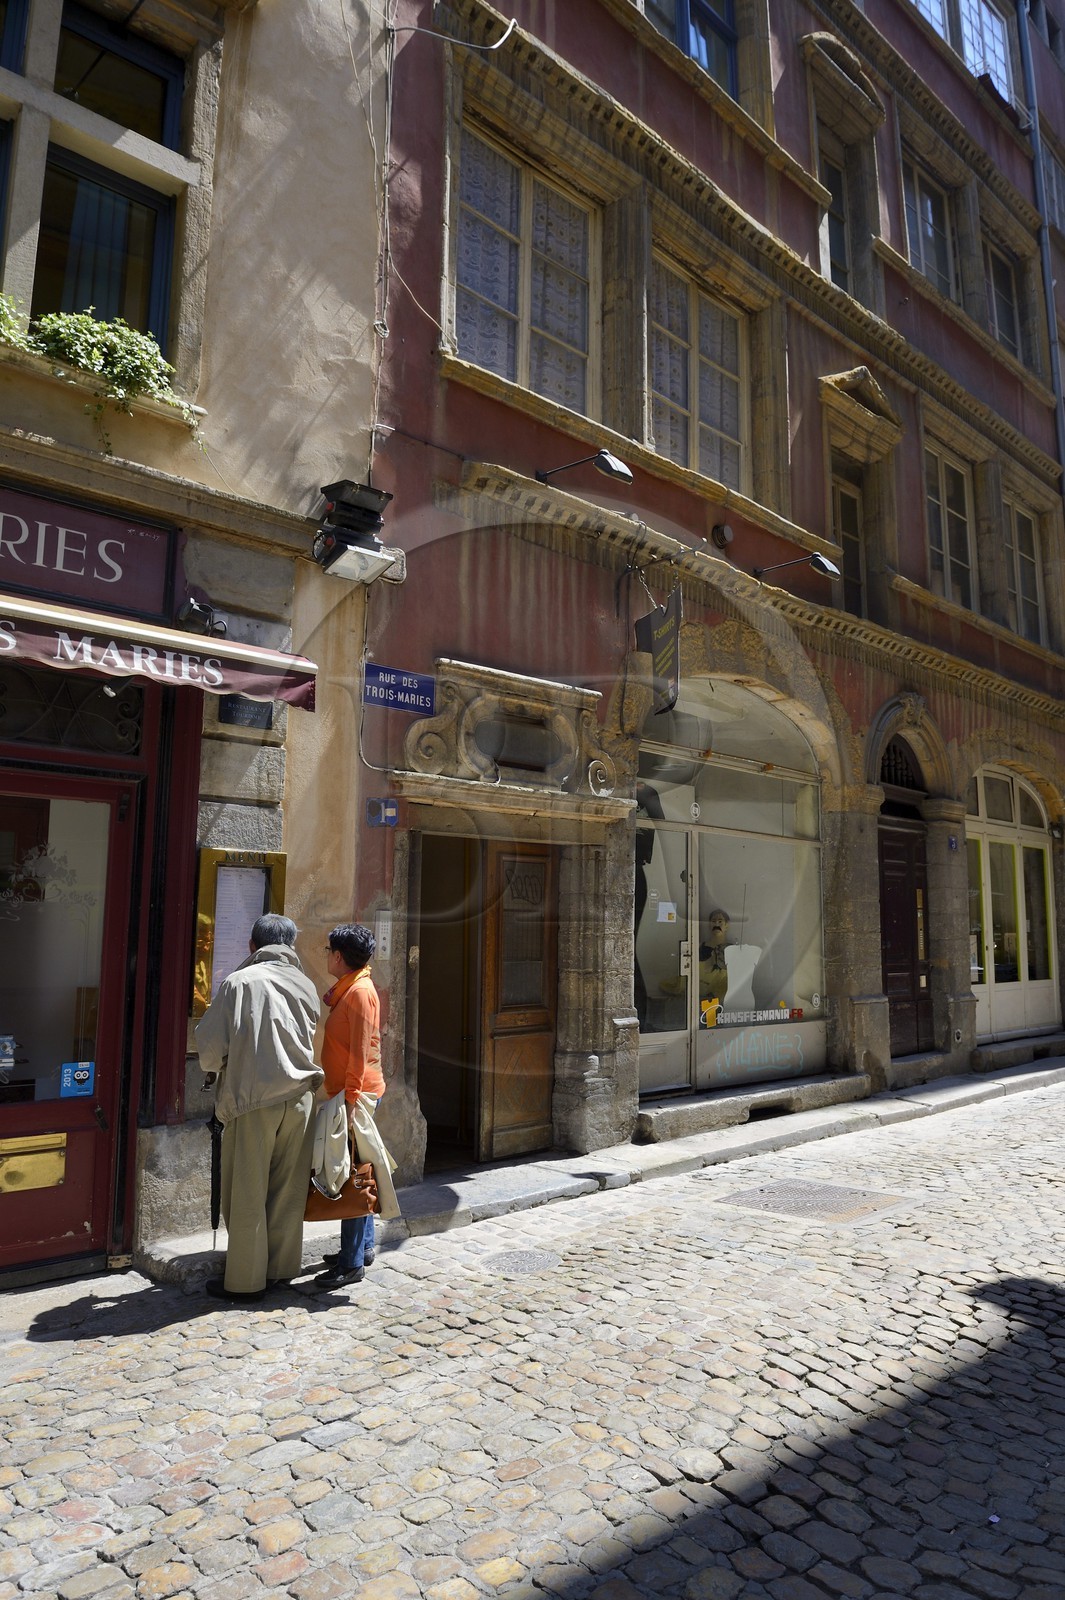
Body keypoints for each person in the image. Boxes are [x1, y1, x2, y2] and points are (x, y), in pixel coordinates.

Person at [195, 913, 322, 1302]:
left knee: (247, 1191)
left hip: (253, 1100)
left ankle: (246, 1282)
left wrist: (219, 1069)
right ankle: (281, 1270)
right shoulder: (306, 984)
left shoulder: (238, 982)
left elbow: (210, 1049)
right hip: (300, 1097)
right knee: (288, 1189)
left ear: (253, 946)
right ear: (291, 947)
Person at [315, 922, 385, 1289]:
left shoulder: (358, 992)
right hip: (349, 1091)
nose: (326, 956)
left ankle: (351, 1261)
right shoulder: (352, 988)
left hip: (354, 1093)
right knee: (361, 1169)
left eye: (328, 951)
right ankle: (363, 1248)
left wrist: (352, 1099)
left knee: (352, 1174)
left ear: (339, 957)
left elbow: (359, 1051)